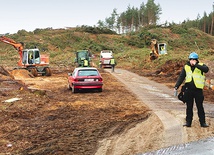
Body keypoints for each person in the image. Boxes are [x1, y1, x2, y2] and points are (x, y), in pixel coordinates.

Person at [174, 52, 209, 128]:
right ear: (189, 60)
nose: (192, 61)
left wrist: (196, 65)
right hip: (189, 90)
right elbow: (181, 77)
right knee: (189, 107)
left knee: (200, 106)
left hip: (198, 90)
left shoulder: (201, 66)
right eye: (191, 59)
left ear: (197, 60)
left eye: (194, 59)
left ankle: (203, 122)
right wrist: (177, 86)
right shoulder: (186, 67)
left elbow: (206, 70)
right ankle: (188, 122)